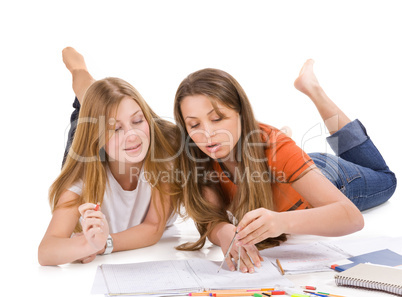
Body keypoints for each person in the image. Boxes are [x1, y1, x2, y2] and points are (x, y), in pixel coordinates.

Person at [173, 59, 397, 273]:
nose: (208, 134)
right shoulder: (197, 156)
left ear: (241, 113)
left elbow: (352, 218)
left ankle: (314, 90)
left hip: (332, 176)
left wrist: (280, 221)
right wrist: (224, 232)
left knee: (386, 179)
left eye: (217, 118)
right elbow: (211, 219)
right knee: (280, 156)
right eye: (194, 124)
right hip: (292, 166)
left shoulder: (274, 147)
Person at [38, 48, 180, 266]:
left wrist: (105, 244)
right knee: (88, 97)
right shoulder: (83, 177)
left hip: (122, 135)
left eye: (138, 120)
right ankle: (79, 69)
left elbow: (153, 227)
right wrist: (87, 244)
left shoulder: (164, 149)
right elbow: (46, 251)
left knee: (98, 98)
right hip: (95, 147)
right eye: (116, 129)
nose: (132, 136)